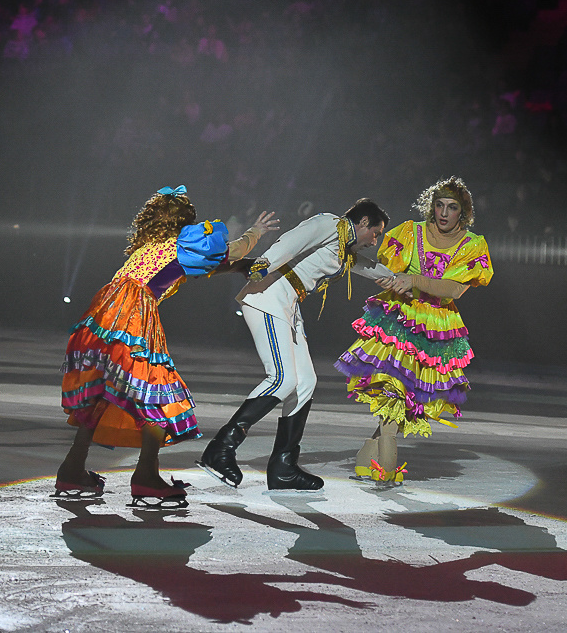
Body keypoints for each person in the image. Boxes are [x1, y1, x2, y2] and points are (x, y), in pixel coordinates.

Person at [55, 185, 278, 507]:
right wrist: (255, 233)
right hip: (133, 317)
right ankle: (146, 476)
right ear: (185, 222)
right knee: (157, 391)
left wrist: (238, 268)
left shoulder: (150, 248)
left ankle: (72, 469)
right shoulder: (184, 244)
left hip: (103, 315)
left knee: (102, 392)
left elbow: (202, 267)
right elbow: (230, 252)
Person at [197, 198, 394, 491]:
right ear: (363, 222)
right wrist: (263, 265)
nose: (374, 240)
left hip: (288, 304)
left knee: (304, 383)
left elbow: (364, 266)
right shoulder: (330, 224)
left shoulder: (342, 249)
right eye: (375, 233)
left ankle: (283, 467)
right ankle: (220, 449)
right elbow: (292, 241)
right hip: (269, 295)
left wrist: (396, 279)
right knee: (282, 379)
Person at [335, 177, 493, 485]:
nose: (444, 213)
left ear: (463, 212)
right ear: (431, 206)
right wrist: (396, 279)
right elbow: (387, 269)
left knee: (410, 399)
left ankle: (368, 458)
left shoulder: (472, 245)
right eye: (439, 205)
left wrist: (415, 280)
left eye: (452, 207)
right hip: (399, 318)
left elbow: (455, 290)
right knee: (392, 389)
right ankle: (385, 466)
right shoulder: (410, 233)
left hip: (436, 327)